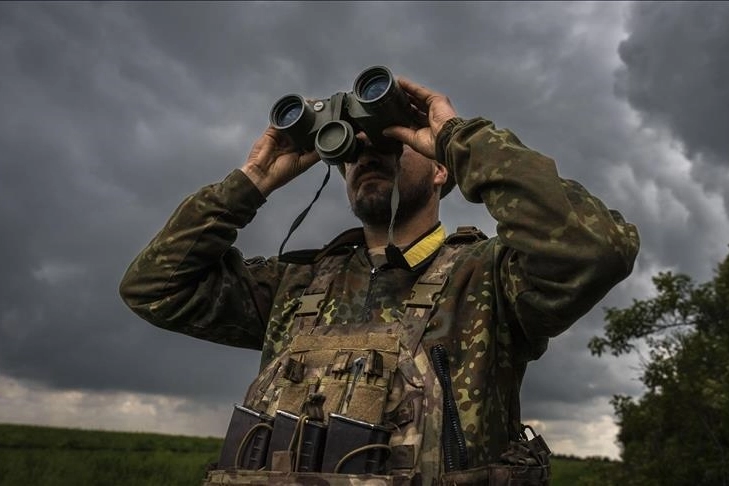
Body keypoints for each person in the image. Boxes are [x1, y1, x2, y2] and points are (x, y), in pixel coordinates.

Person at [119, 75, 639, 485]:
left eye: (390, 142)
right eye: (353, 150)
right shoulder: (295, 286)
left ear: (440, 169)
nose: (366, 155)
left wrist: (459, 138)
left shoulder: (489, 280)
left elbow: (595, 249)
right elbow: (154, 287)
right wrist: (250, 183)